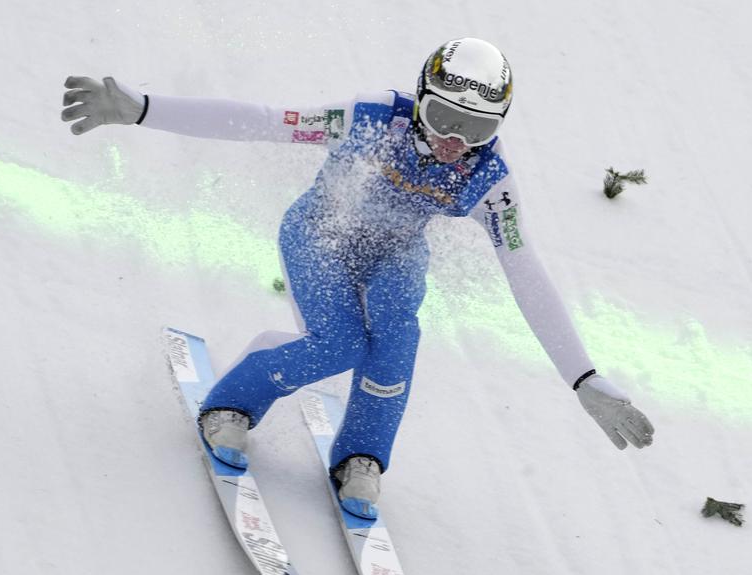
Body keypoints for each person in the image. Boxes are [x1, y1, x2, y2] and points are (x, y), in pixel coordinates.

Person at [63, 37, 655, 518]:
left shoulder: (490, 181)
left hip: (394, 255)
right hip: (323, 232)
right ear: (419, 99)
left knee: (396, 342)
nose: (453, 143)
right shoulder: (372, 118)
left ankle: (362, 457)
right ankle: (235, 404)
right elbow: (267, 121)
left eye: (473, 130)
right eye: (443, 117)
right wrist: (143, 109)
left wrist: (583, 378)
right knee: (340, 343)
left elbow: (526, 274)